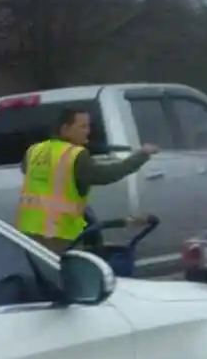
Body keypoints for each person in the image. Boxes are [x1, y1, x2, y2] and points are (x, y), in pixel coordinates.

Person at [15, 107, 159, 252]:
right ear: (65, 129)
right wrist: (142, 155)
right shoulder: (76, 155)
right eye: (83, 126)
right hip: (60, 234)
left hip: (29, 231)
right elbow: (106, 174)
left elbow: (28, 170)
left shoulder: (34, 150)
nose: (88, 131)